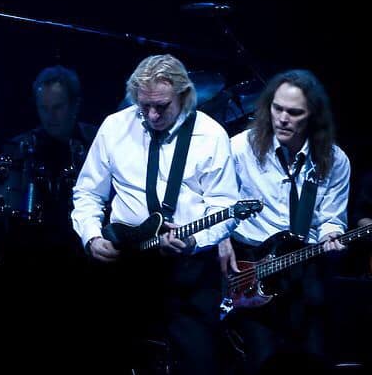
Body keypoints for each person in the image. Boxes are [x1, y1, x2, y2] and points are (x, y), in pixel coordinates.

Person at [71, 53, 239, 374]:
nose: (151, 114)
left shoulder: (212, 135)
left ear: (184, 95)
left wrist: (194, 241)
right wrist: (91, 236)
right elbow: (88, 193)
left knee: (197, 361)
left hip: (189, 268)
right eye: (143, 105)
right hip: (127, 263)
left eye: (161, 106)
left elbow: (225, 210)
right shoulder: (114, 127)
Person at [218, 69, 351, 374]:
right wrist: (221, 239)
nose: (282, 118)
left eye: (294, 112)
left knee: (314, 358)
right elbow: (215, 199)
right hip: (249, 267)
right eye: (277, 109)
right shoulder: (240, 148)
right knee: (262, 362)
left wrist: (332, 234)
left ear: (313, 117)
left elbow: (331, 217)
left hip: (303, 270)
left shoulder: (334, 159)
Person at [0, 64, 98, 249]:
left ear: (75, 105)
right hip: (32, 246)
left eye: (58, 107)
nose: (50, 116)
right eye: (44, 108)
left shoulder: (96, 141)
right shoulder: (20, 147)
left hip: (84, 244)